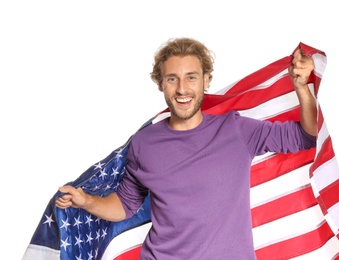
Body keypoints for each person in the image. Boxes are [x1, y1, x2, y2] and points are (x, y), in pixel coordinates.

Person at [55, 37, 317, 259]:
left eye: (191, 78)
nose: (182, 89)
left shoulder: (237, 130)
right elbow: (125, 204)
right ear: (161, 84)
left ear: (205, 80)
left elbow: (307, 137)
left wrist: (302, 89)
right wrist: (86, 201)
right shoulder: (144, 143)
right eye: (172, 79)